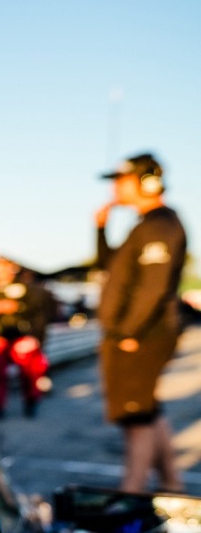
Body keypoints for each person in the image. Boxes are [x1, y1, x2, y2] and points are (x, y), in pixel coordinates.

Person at [94, 152, 187, 492]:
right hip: (137, 335)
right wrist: (101, 227)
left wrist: (128, 334)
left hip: (141, 336)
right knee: (147, 410)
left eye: (121, 180)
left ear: (147, 182)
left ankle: (131, 493)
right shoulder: (144, 226)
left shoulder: (160, 226)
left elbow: (154, 288)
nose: (115, 188)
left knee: (135, 419)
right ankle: (173, 484)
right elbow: (108, 264)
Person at [0, 256, 49, 418]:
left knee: (30, 370)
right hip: (0, 336)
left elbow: (39, 315)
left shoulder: (27, 289)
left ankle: (31, 401)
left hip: (23, 337)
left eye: (2, 269)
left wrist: (34, 338)